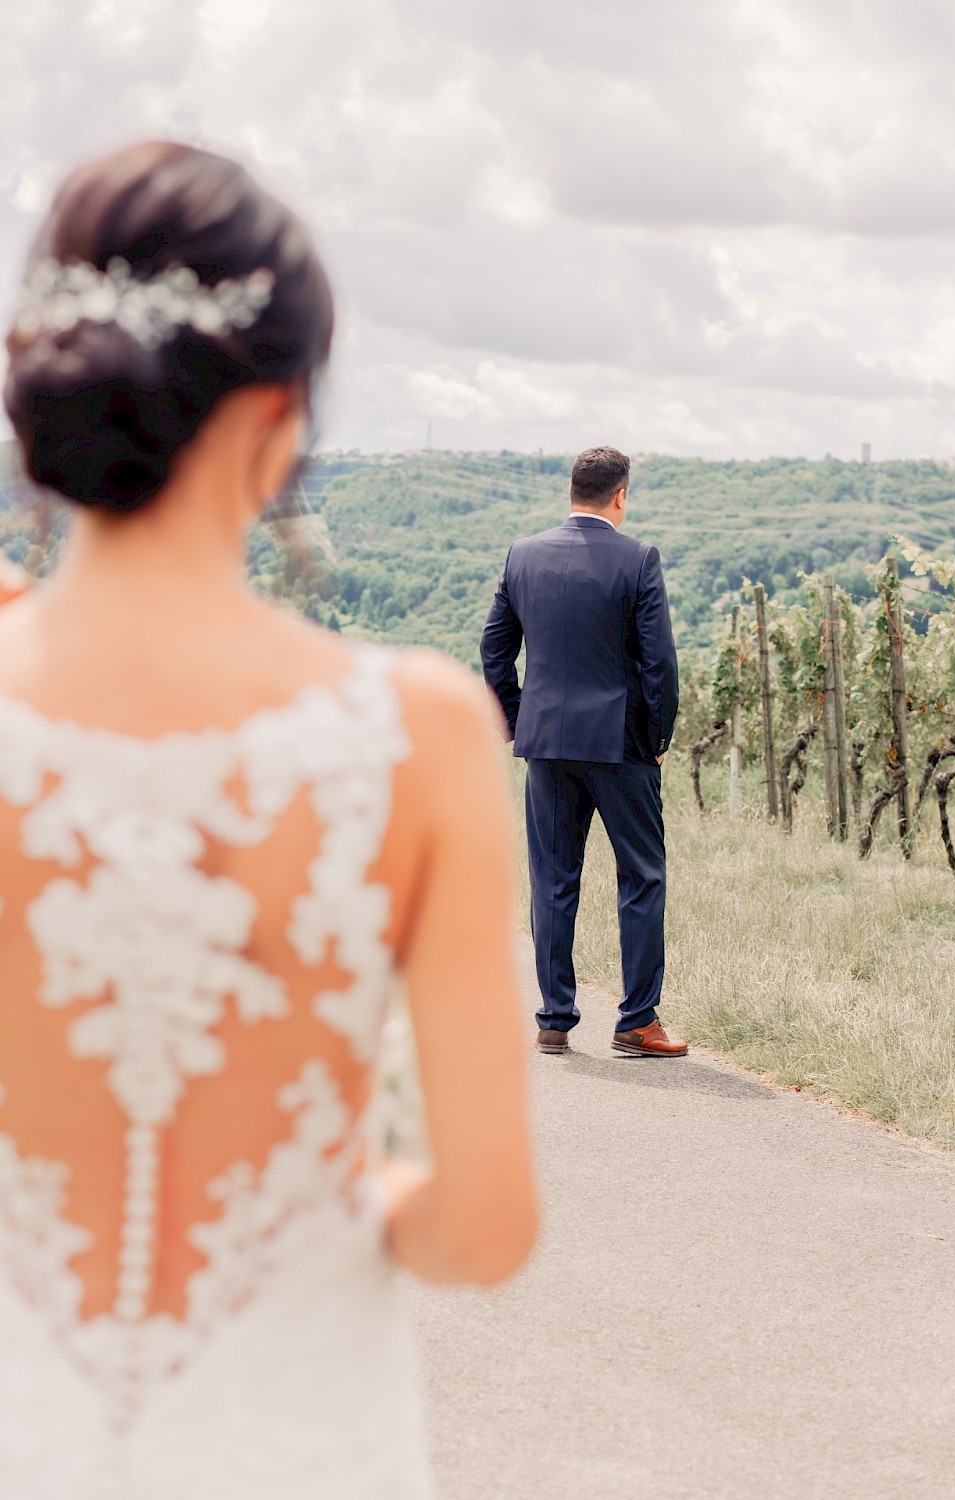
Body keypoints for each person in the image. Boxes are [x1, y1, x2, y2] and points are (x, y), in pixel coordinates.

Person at [0, 141, 536, 1499]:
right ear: (284, 413)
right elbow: (485, 1229)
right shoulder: (415, 733)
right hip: (299, 1440)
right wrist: (322, 1204)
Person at [480, 446, 687, 1058]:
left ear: (572, 490)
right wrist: (657, 741)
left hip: (545, 745)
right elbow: (660, 665)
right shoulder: (639, 559)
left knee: (551, 877)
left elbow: (495, 650)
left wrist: (518, 723)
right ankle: (636, 1021)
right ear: (620, 495)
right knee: (641, 877)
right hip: (621, 746)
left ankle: (553, 1019)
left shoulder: (523, 555)